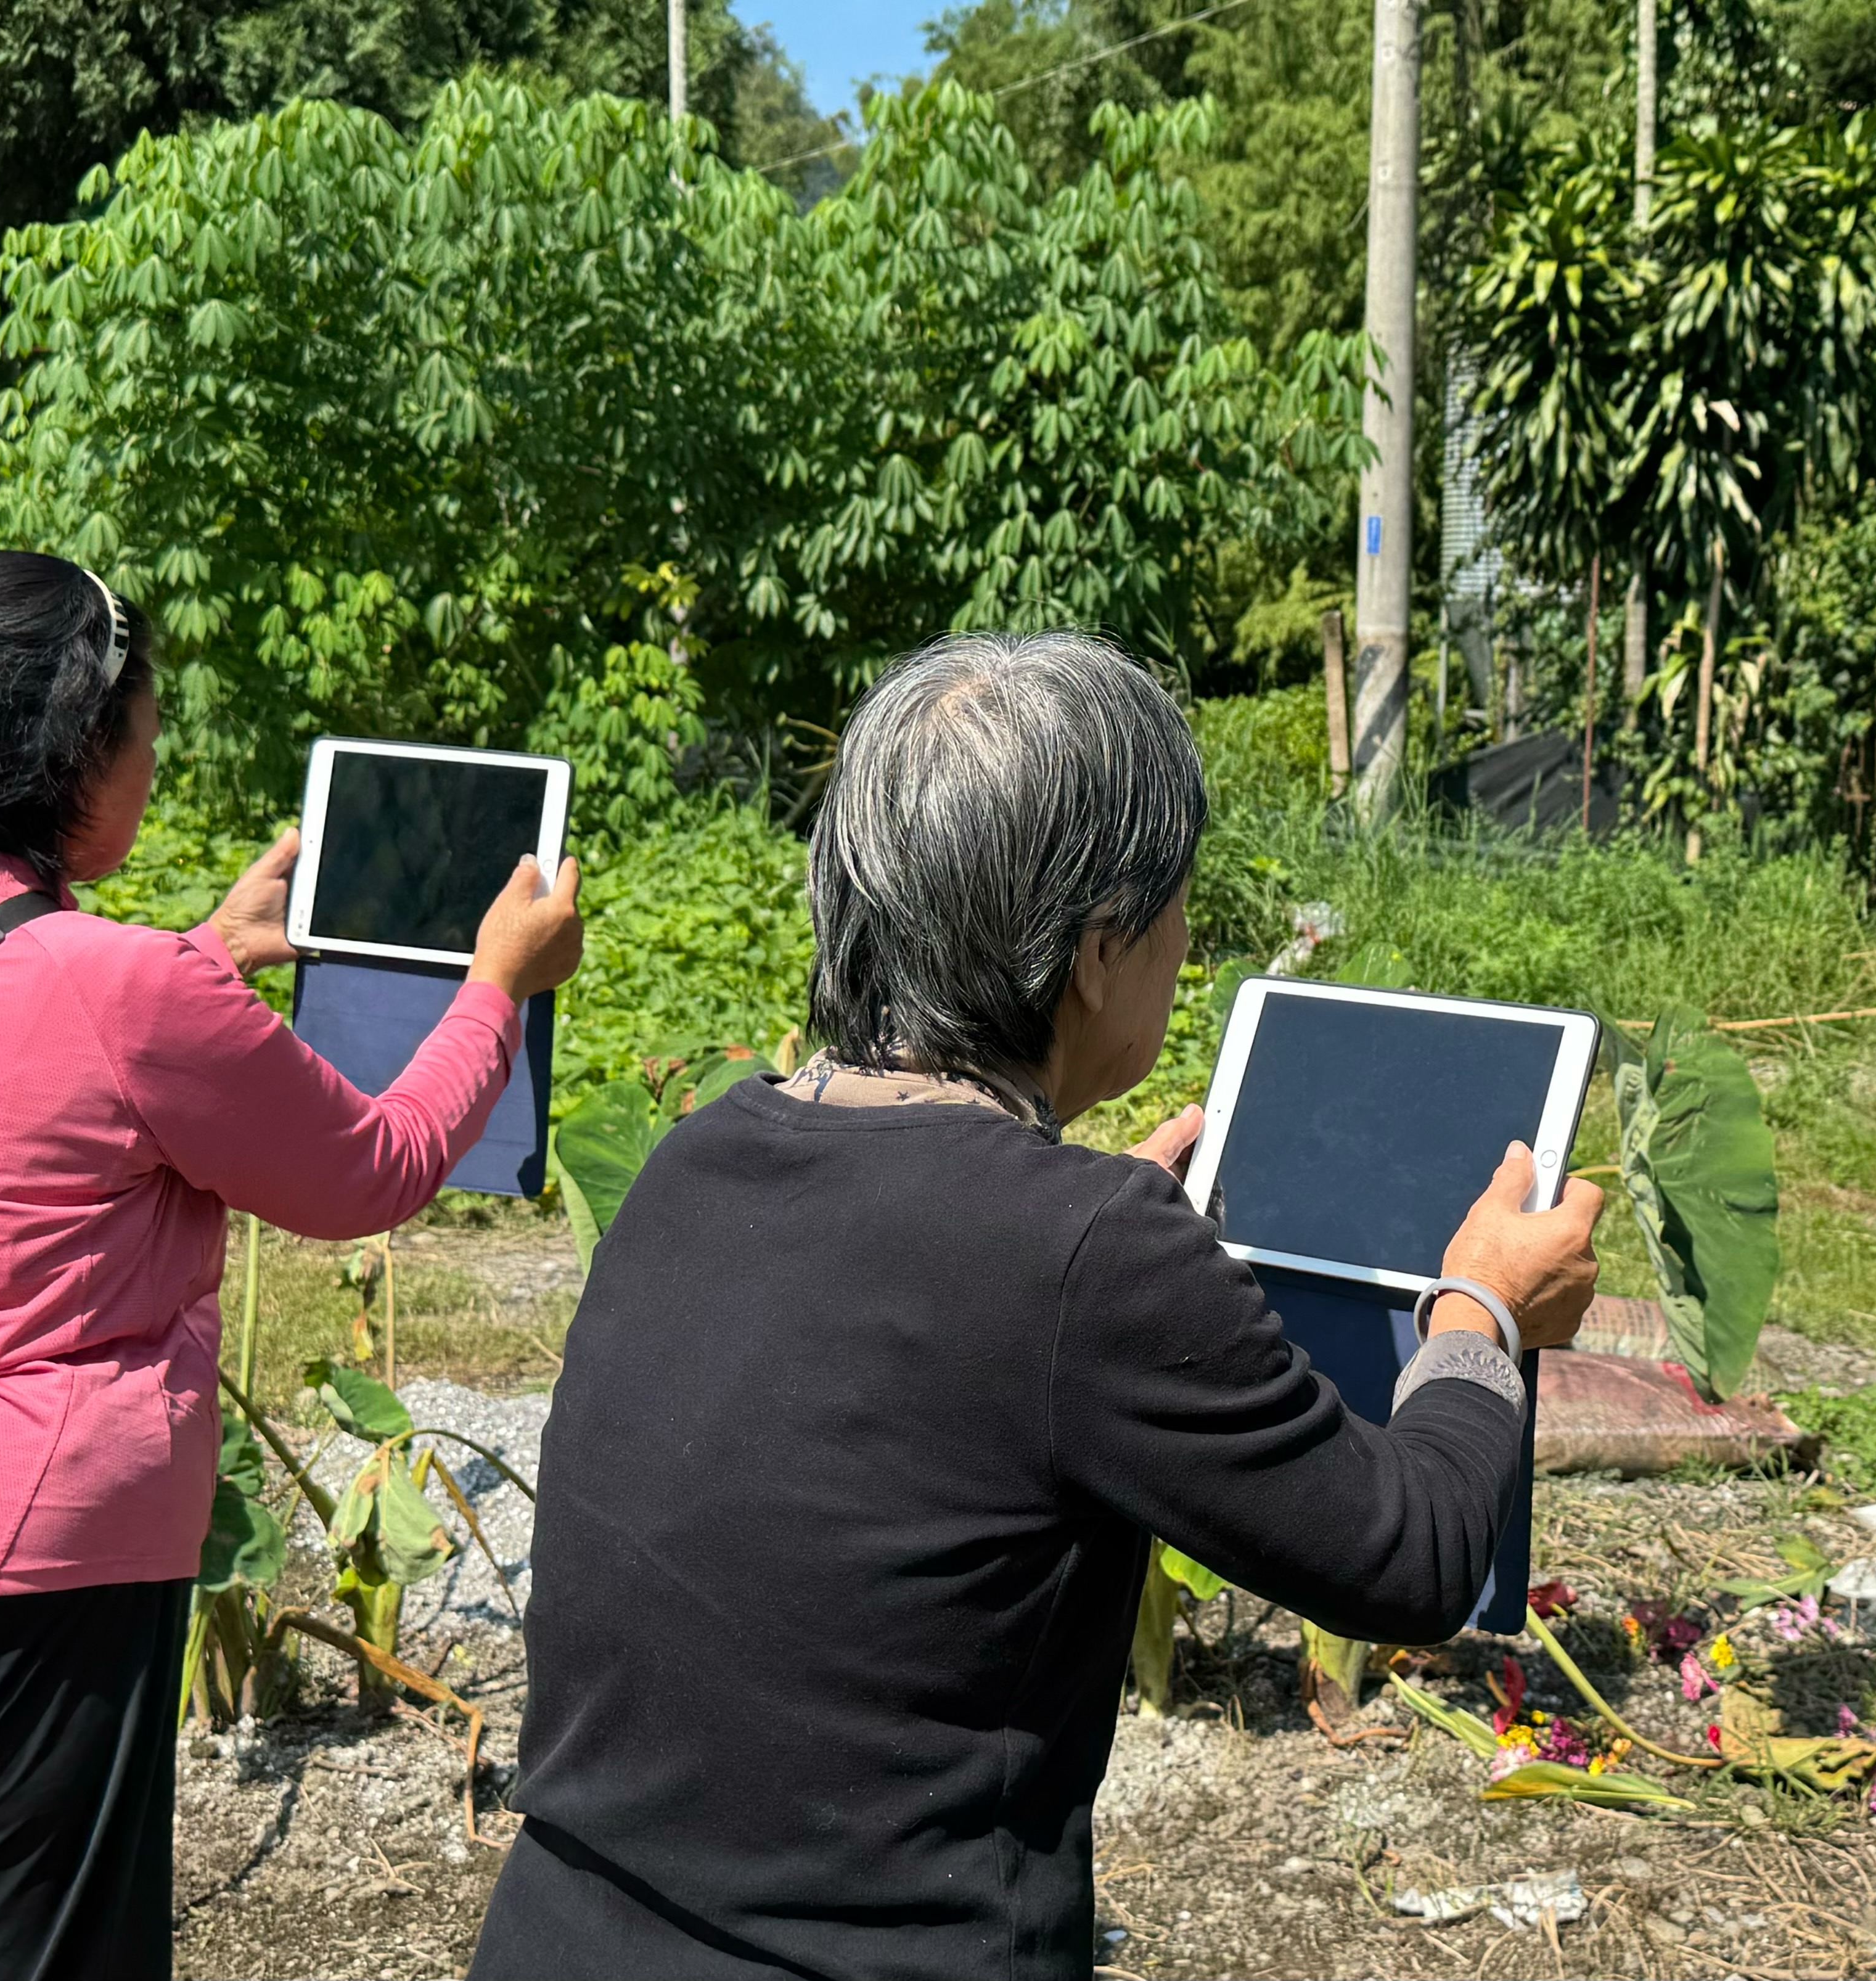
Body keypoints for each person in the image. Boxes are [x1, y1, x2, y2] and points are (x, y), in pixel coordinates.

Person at [473, 632, 1604, 1980]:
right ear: (1095, 949)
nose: (1188, 940)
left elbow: (906, 1343)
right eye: (1177, 904)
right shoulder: (1083, 1253)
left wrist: (1089, 1248)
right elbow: (1406, 1556)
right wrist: (1478, 1313)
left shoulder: (702, 1153)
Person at [0, 549, 585, 1981]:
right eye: (147, 727)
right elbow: (376, 1166)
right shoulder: (126, 989)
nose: (158, 757)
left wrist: (203, 954)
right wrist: (495, 984)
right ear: (73, 749)